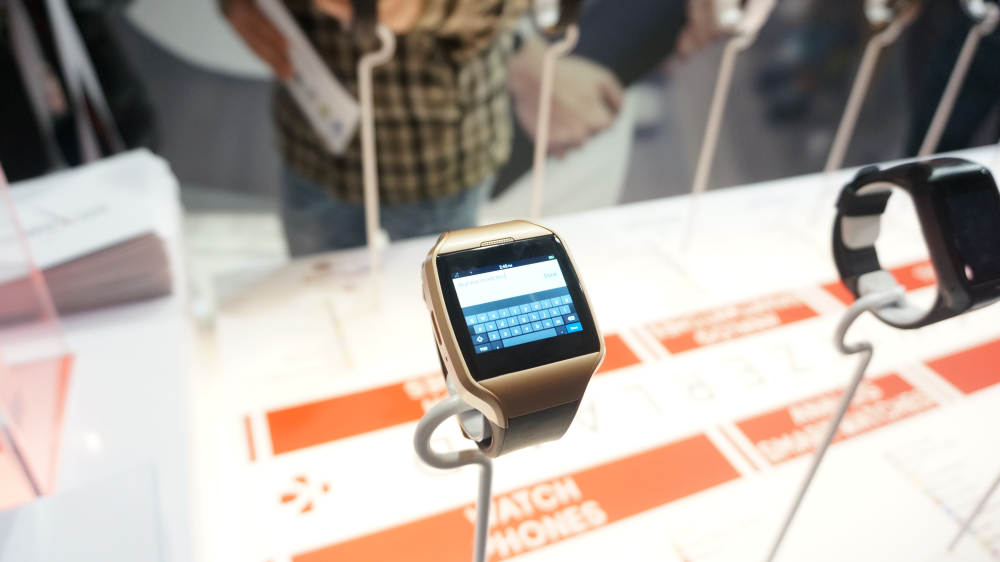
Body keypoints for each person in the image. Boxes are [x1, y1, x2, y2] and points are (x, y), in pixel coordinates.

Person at [224, 0, 529, 256]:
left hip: (440, 154)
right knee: (320, 298)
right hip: (312, 139)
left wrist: (425, 7)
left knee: (428, 301)